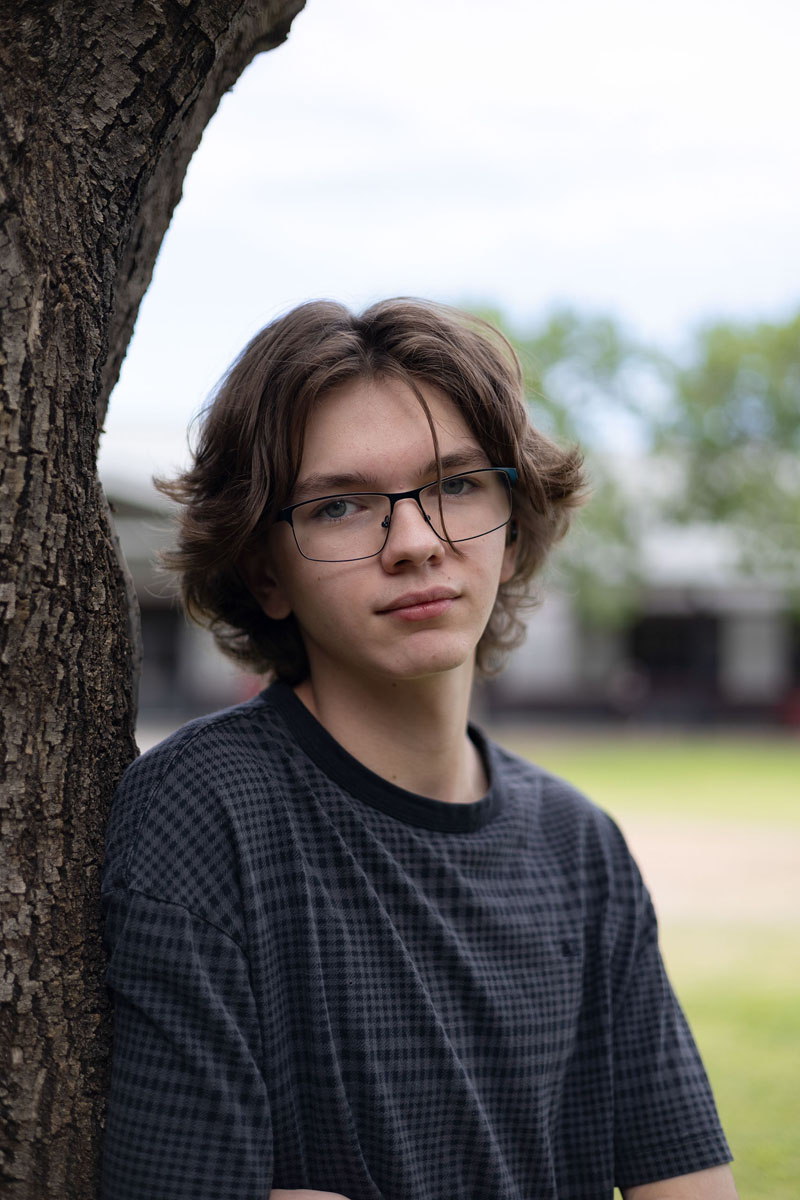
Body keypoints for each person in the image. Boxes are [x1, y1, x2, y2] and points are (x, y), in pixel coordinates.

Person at [101, 299, 737, 1200]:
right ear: (266, 572)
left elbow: (689, 1183)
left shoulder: (580, 847)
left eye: (456, 485)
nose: (414, 542)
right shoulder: (204, 812)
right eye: (339, 505)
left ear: (512, 533)